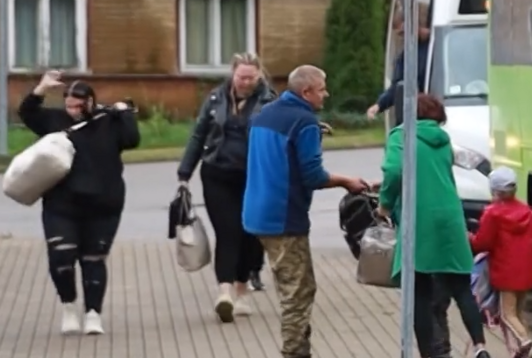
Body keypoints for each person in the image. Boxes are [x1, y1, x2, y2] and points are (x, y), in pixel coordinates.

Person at [243, 65, 370, 358]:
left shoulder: (265, 115)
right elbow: (312, 175)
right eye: (322, 88)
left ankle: (300, 349)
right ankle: (295, 353)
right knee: (297, 294)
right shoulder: (304, 122)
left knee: (292, 286)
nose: (326, 94)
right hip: (284, 218)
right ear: (306, 92)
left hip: (256, 213)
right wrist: (346, 181)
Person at [18, 71, 140, 336]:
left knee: (93, 260)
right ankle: (69, 306)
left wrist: (124, 113)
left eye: (78, 106)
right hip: (61, 204)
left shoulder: (108, 122)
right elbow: (27, 113)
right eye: (68, 105)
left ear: (91, 102)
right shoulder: (54, 120)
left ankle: (93, 314)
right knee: (61, 257)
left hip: (103, 204)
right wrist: (42, 88)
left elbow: (132, 139)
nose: (72, 111)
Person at [379, 93, 490, 358]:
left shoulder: (402, 136)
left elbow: (394, 171)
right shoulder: (443, 139)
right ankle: (480, 347)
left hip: (420, 219)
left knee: (419, 290)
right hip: (450, 216)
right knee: (462, 287)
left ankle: (429, 353)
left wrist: (384, 204)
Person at [176, 52, 276, 322]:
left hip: (254, 177)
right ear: (233, 74)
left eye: (251, 77)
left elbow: (278, 140)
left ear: (259, 76)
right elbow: (198, 135)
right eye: (241, 76)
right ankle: (225, 292)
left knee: (250, 234)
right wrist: (185, 172)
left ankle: (243, 290)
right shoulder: (215, 98)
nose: (245, 82)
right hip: (217, 174)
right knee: (228, 231)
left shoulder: (269, 101)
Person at [470, 167, 532, 358]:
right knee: (518, 313)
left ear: (495, 191)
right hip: (528, 270)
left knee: (506, 314)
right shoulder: (527, 211)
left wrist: (469, 238)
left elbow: (482, 242)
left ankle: (526, 342)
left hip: (506, 270)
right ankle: (517, 352)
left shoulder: (492, 214)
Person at [366, 0, 431, 121]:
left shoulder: (436, 45)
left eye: (403, 33)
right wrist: (379, 105)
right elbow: (398, 85)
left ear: (413, 24)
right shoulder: (406, 56)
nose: (402, 38)